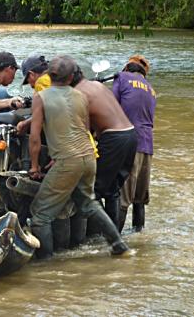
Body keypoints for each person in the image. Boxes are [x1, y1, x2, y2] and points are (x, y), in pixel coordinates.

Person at [28, 55, 130, 259]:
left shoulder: (41, 97)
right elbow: (84, 129)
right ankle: (118, 243)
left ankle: (46, 264)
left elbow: (34, 138)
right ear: (71, 77)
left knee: (40, 213)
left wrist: (34, 167)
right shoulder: (81, 96)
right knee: (88, 202)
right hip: (88, 157)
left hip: (68, 160)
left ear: (49, 75)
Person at [72, 67, 137, 231]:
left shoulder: (78, 93)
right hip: (130, 135)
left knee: (94, 190)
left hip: (113, 139)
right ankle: (113, 236)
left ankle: (105, 237)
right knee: (112, 190)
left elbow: (83, 130)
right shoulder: (97, 86)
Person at [112, 54, 157, 232]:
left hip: (130, 144)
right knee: (139, 198)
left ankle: (115, 243)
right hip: (147, 146)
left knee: (123, 198)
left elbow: (111, 107)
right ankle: (139, 236)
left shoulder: (121, 78)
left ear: (127, 67)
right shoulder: (151, 89)